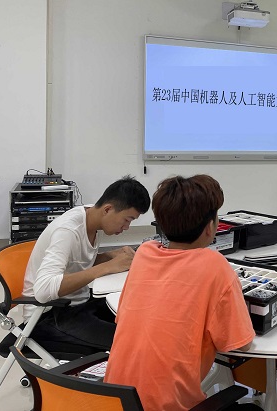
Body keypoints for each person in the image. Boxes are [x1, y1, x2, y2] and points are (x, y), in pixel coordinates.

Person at [104, 175, 255, 411]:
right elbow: (241, 344)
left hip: (114, 402)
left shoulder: (144, 253)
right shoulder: (214, 265)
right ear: (210, 227)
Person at [23, 176, 150, 352]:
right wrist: (107, 267)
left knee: (139, 320)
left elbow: (76, 263)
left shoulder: (92, 217)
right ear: (108, 209)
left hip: (78, 304)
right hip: (47, 315)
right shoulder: (68, 230)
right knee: (133, 342)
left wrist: (110, 256)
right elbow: (43, 290)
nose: (127, 227)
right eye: (127, 219)